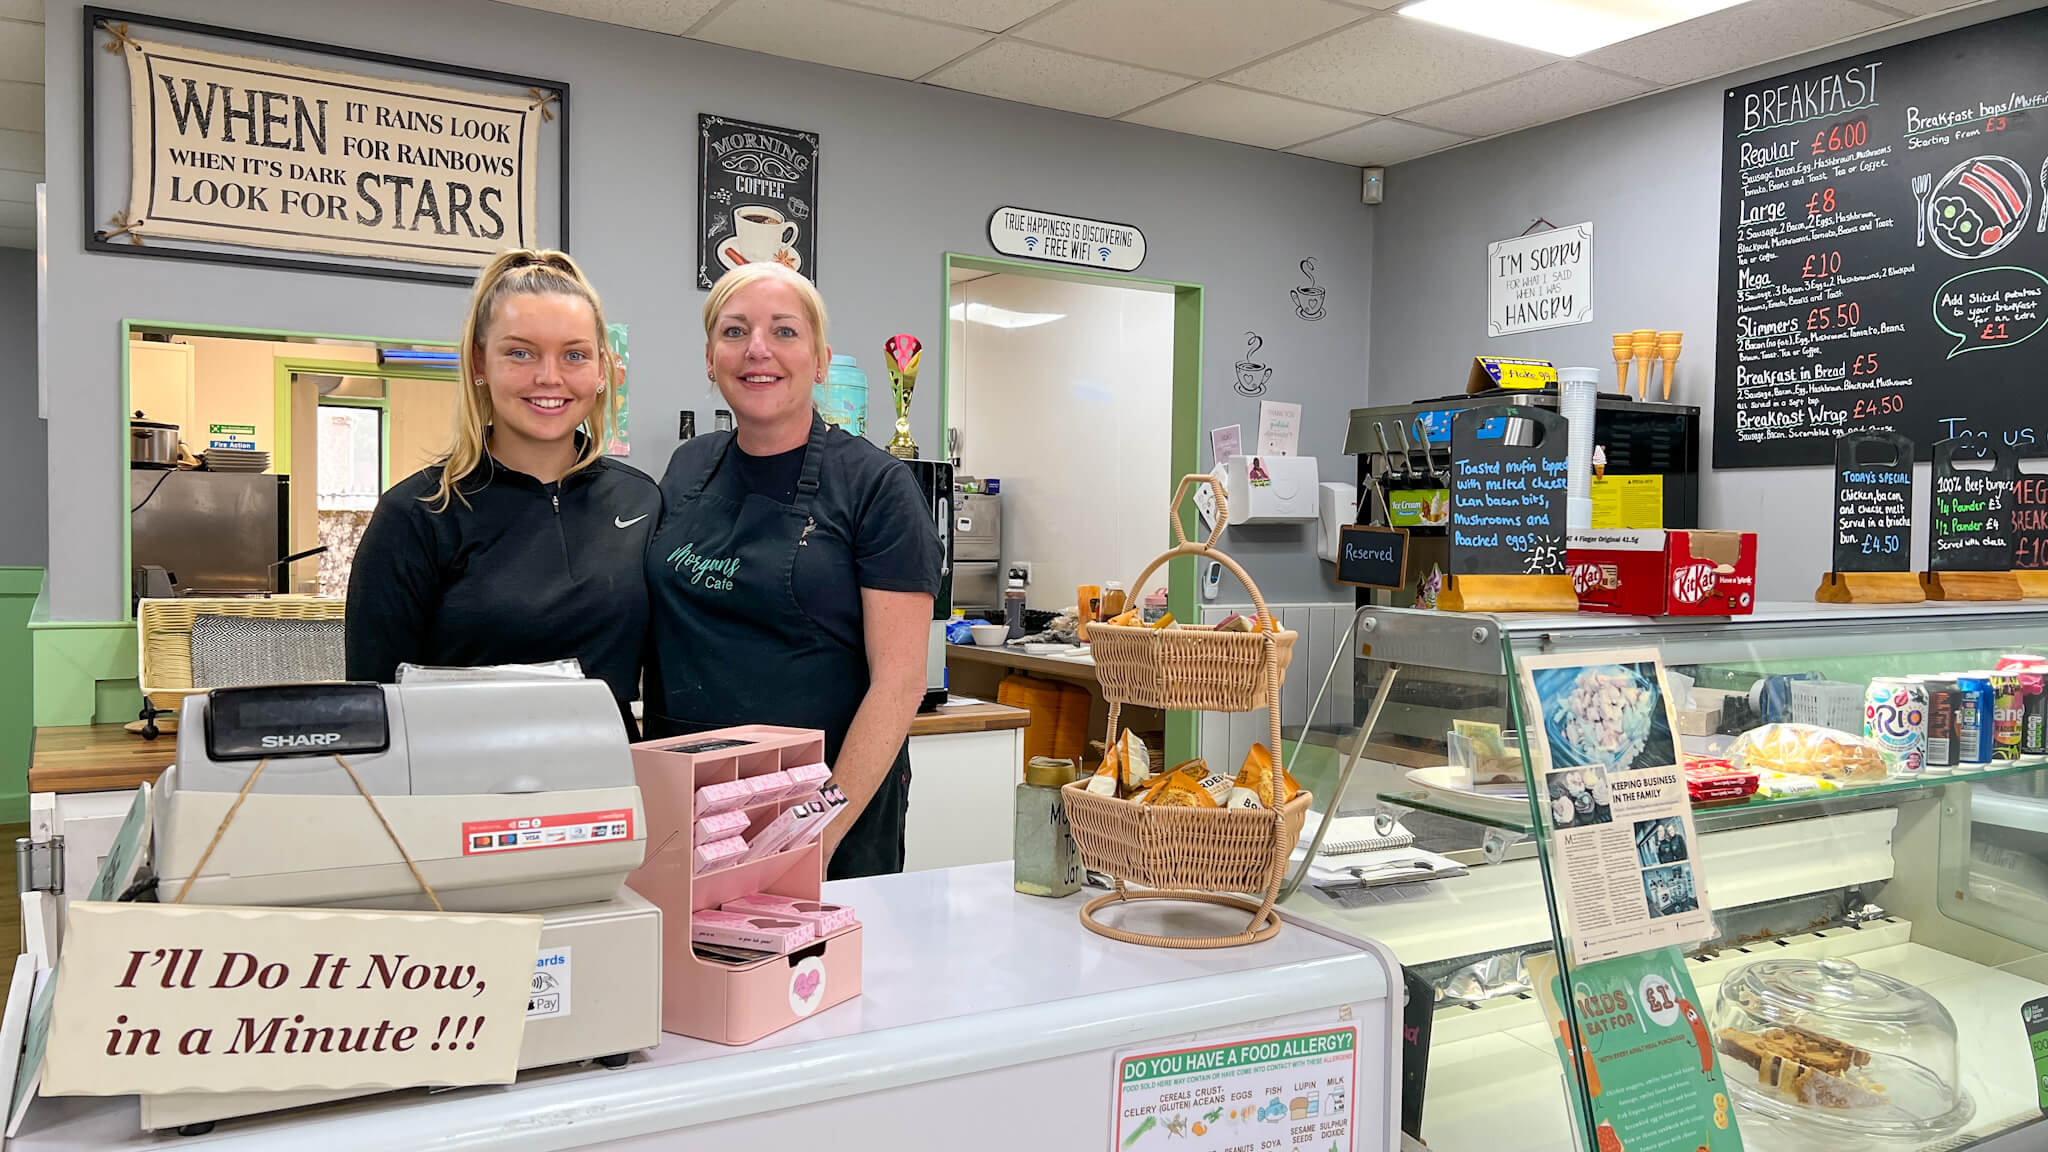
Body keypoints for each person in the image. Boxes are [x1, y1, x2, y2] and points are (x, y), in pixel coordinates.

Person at [646, 263, 940, 879]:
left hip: (827, 811)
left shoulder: (877, 487)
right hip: (693, 805)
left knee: (813, 975)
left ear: (821, 358)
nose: (757, 350)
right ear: (709, 358)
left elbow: (900, 683)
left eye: (783, 332)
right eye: (734, 332)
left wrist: (812, 833)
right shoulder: (685, 467)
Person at [346, 249, 658, 732]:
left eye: (574, 355)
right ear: (479, 362)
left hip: (609, 790)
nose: (549, 377)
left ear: (602, 370)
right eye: (520, 353)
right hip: (459, 793)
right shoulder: (417, 513)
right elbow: (372, 707)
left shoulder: (640, 502)